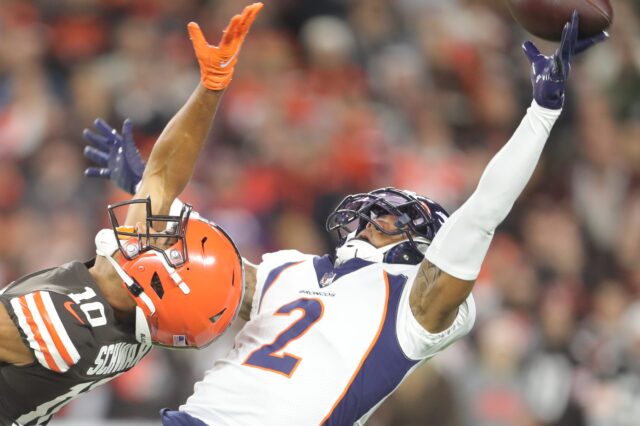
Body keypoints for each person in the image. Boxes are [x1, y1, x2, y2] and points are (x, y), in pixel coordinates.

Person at [83, 12, 607, 426]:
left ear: (424, 244)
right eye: (377, 210)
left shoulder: (414, 305)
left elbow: (482, 214)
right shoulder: (292, 270)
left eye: (395, 218)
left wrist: (541, 113)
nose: (377, 215)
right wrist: (149, 189)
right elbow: (206, 267)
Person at [0, 4, 263, 425]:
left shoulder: (66, 326)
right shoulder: (138, 320)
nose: (157, 221)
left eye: (166, 238)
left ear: (157, 277)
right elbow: (162, 177)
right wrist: (212, 87)